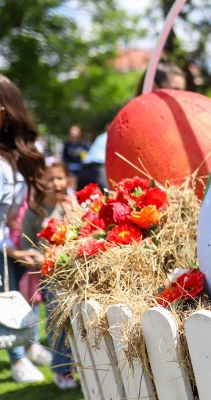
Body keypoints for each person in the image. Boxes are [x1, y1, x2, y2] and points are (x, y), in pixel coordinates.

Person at [0, 74, 48, 384]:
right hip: (4, 245)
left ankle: (29, 345)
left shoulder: (12, 158)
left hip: (6, 242)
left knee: (12, 294)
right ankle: (18, 359)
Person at [20, 161, 79, 389]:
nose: (56, 184)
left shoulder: (71, 205)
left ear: (67, 180)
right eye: (51, 179)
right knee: (56, 321)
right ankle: (62, 369)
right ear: (42, 183)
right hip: (51, 276)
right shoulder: (35, 213)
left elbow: (85, 231)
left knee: (79, 320)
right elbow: (27, 244)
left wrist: (74, 211)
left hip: (74, 272)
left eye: (60, 178)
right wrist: (36, 256)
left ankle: (81, 364)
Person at [61, 124, 88, 190]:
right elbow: (64, 158)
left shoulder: (83, 145)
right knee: (72, 186)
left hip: (81, 170)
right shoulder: (67, 144)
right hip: (71, 170)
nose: (74, 134)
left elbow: (87, 157)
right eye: (72, 132)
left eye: (75, 132)